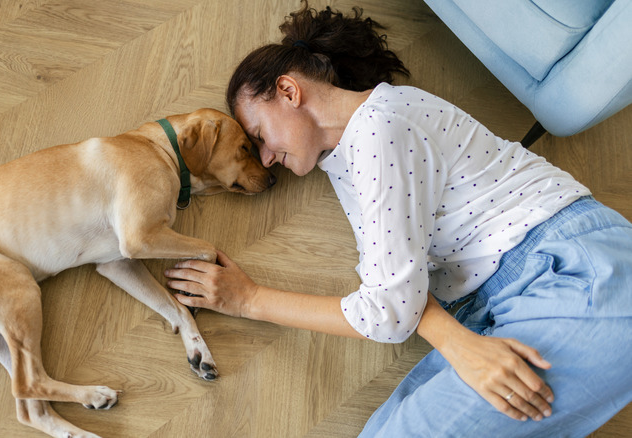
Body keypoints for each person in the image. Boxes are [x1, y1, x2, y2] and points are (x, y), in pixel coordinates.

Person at [164, 2, 632, 436]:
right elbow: (398, 292)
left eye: (260, 135)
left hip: (567, 270)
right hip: (493, 308)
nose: (264, 158)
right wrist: (456, 341)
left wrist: (250, 300)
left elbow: (387, 312)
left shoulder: (381, 124)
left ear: (288, 90)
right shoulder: (350, 157)